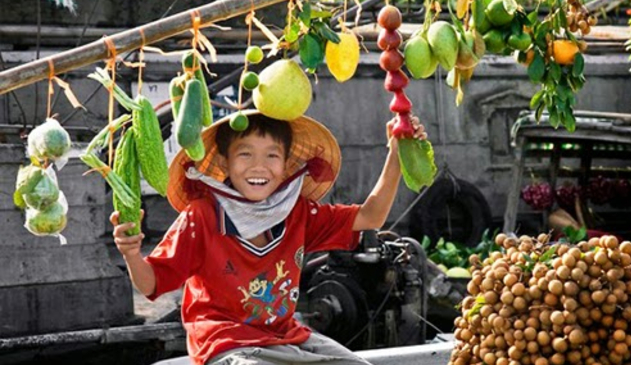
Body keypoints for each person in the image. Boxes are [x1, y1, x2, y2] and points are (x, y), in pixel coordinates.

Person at [111, 109, 427, 365]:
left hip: (287, 336)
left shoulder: (297, 212)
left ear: (287, 163)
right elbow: (151, 283)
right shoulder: (203, 215)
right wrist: (131, 252)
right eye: (245, 154)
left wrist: (396, 153)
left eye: (272, 156)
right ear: (224, 163)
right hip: (225, 344)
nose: (259, 167)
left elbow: (370, 217)